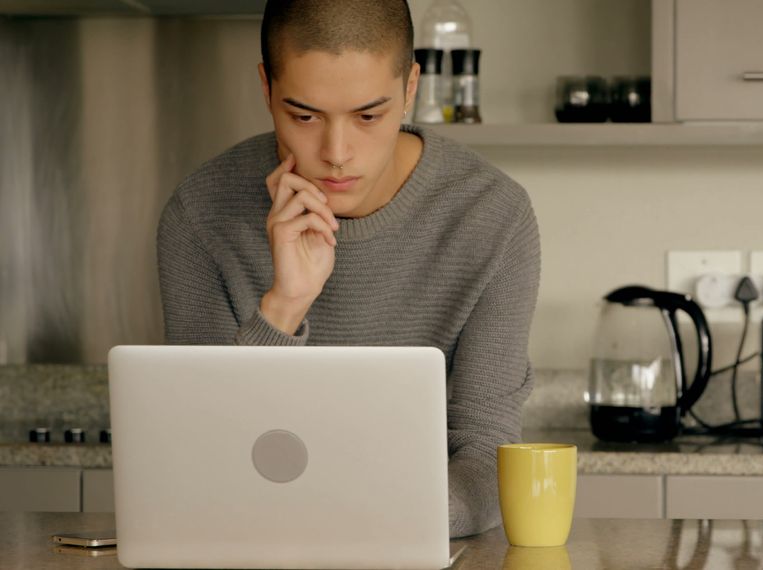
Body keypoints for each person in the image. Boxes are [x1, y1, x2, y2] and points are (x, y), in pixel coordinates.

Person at [156, 0, 540, 538]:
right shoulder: (199, 216)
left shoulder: (493, 216)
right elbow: (201, 461)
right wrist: (284, 306)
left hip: (407, 544)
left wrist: (361, 517)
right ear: (266, 89)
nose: (337, 153)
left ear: (410, 88)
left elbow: (486, 459)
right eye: (304, 116)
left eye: (368, 116)